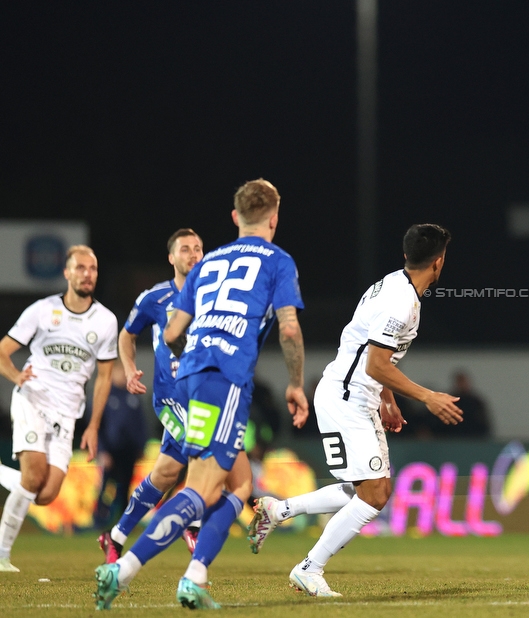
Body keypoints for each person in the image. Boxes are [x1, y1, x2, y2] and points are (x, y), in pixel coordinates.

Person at [94, 179, 309, 609]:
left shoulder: (209, 265)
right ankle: (126, 568)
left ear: (234, 218)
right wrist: (296, 383)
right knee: (207, 486)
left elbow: (173, 332)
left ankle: (194, 574)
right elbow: (288, 327)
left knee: (236, 482)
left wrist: (197, 358)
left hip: (193, 379)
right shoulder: (278, 260)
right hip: (225, 379)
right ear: (274, 217)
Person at [247, 224, 462, 598]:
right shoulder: (401, 302)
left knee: (366, 488)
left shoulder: (392, 284)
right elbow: (375, 364)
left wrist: (388, 399)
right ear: (439, 262)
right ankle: (309, 568)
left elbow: (371, 352)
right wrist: (427, 396)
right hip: (346, 398)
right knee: (375, 493)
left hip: (355, 396)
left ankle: (279, 511)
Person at [0, 245, 119, 572]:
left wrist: (94, 426)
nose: (87, 274)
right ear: (67, 273)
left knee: (46, 494)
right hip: (33, 399)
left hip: (68, 414)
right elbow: (3, 351)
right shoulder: (42, 310)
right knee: (34, 474)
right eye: (80, 268)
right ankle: (2, 556)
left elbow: (105, 377)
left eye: (92, 269)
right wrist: (17, 377)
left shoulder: (106, 321)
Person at [97, 229, 204, 563]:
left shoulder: (215, 295)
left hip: (204, 397)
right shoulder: (154, 298)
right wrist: (128, 370)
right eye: (185, 249)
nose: (193, 254)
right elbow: (126, 336)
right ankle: (193, 521)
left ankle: (114, 536)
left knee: (166, 474)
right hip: (171, 396)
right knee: (205, 448)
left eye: (198, 248)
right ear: (171, 258)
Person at [92, 360, 148, 528]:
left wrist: (141, 446)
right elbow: (97, 426)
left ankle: (123, 524)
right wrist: (101, 450)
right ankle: (99, 522)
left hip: (128, 451)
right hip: (110, 450)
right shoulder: (105, 395)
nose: (123, 377)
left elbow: (140, 423)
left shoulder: (133, 396)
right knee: (105, 488)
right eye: (120, 373)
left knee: (125, 488)